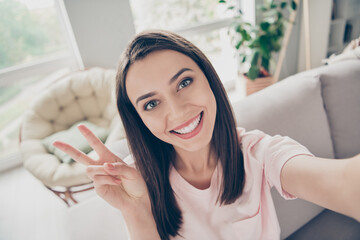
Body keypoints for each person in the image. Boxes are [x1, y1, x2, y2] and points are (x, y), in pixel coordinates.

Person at [53, 30, 360, 240]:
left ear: (209, 79)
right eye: (152, 103)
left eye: (184, 82)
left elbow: (345, 182)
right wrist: (134, 207)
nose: (177, 111)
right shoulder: (135, 177)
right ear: (139, 119)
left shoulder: (260, 153)